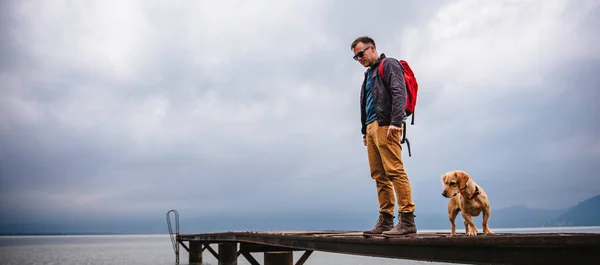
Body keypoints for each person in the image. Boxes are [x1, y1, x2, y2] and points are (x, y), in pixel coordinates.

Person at [350, 36, 417, 237]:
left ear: (372, 49)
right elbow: (366, 105)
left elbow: (399, 92)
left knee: (394, 170)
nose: (359, 58)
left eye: (361, 54)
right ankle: (386, 220)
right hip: (371, 127)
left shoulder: (388, 64)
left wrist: (396, 122)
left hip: (387, 124)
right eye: (355, 57)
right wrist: (364, 131)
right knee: (378, 174)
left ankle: (407, 219)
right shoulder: (368, 75)